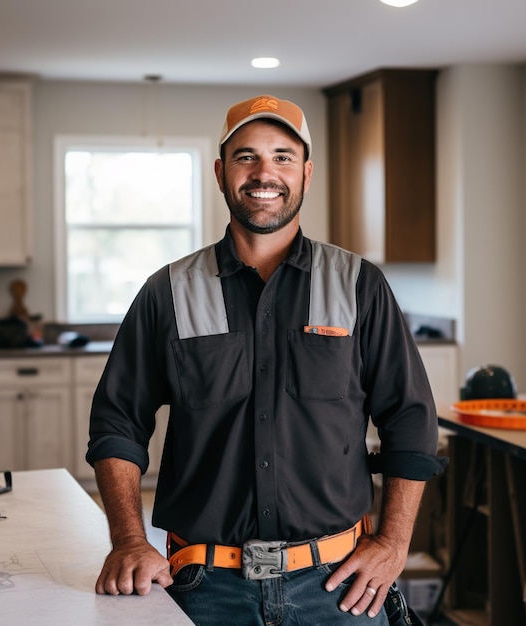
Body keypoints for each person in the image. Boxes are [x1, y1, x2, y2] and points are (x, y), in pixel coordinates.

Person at [86, 94, 447, 625]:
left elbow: (410, 420)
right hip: (203, 588)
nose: (264, 172)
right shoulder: (168, 292)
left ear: (306, 172)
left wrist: (394, 542)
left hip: (341, 588)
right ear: (220, 171)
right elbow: (117, 422)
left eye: (282, 156)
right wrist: (127, 540)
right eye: (245, 156)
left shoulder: (359, 286)